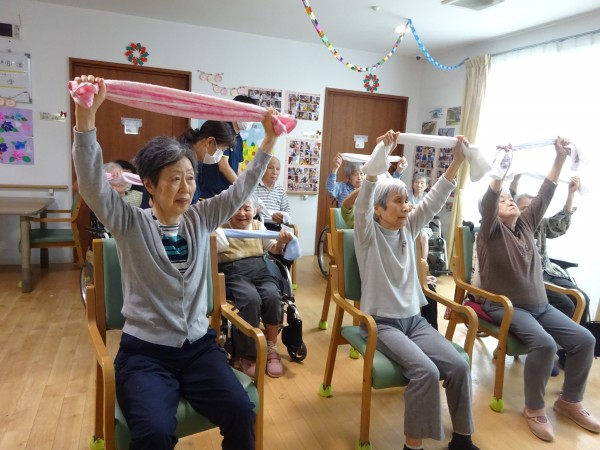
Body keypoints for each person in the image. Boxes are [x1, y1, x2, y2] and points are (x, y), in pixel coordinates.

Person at [71, 74, 280, 450]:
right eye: (174, 180)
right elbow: (90, 184)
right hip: (145, 355)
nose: (186, 188)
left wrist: (269, 141)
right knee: (154, 434)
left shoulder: (200, 218)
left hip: (199, 348)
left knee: (241, 411)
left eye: (189, 178)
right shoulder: (130, 222)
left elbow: (241, 190)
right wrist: (85, 117)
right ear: (149, 185)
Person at [354, 131, 479, 450]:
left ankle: (462, 439)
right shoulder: (367, 235)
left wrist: (457, 162)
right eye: (398, 202)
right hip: (382, 324)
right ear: (379, 210)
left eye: (406, 200)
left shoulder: (409, 227)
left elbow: (434, 199)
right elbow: (364, 200)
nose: (406, 207)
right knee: (425, 371)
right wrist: (379, 156)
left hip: (414, 321)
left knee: (459, 365)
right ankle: (413, 446)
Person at [477, 138, 599, 442]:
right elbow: (489, 202)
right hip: (506, 306)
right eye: (503, 201)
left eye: (510, 199)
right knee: (545, 345)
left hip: (540, 306)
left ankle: (570, 401)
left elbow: (545, 193)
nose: (508, 201)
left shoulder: (526, 226)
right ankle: (534, 408)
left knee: (585, 339)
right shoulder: (490, 232)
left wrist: (560, 158)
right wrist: (501, 169)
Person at [218, 197, 294, 379]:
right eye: (237, 208)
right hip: (233, 271)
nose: (242, 213)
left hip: (260, 268)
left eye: (247, 209)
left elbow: (274, 249)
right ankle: (249, 354)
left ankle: (272, 347)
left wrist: (281, 242)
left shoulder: (259, 226)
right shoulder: (221, 228)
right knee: (251, 299)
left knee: (272, 296)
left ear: (254, 210)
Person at [511, 174, 590, 326]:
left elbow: (559, 225)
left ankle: (580, 337)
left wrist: (571, 193)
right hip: (531, 276)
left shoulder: (540, 223)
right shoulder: (513, 226)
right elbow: (509, 201)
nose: (531, 213)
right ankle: (559, 337)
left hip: (549, 271)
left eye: (533, 209)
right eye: (525, 209)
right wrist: (515, 181)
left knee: (583, 298)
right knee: (566, 304)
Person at [255, 156, 291, 232]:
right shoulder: (254, 187)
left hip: (275, 228)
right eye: (271, 168)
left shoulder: (281, 190)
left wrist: (282, 219)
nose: (275, 172)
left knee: (288, 237)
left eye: (277, 169)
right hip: (256, 227)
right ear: (263, 169)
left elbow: (287, 214)